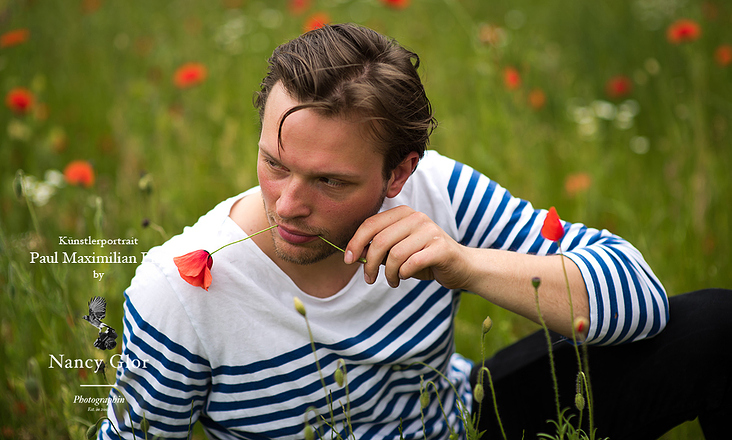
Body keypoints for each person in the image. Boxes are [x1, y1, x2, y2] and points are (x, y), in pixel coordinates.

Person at [99, 23, 730, 439]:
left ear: (399, 172)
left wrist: (464, 265)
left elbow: (642, 303)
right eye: (274, 164)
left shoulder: (437, 190)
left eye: (330, 182)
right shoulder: (180, 288)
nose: (287, 205)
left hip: (459, 426)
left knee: (715, 327)